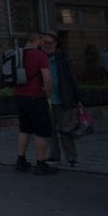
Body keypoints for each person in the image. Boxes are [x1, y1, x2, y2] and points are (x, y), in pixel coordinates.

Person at [13, 30, 56, 175]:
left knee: (24, 129)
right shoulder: (40, 55)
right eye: (42, 41)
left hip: (19, 96)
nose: (43, 43)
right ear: (37, 40)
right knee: (41, 131)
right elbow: (47, 79)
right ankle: (41, 163)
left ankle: (21, 160)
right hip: (36, 97)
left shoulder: (17, 54)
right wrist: (48, 95)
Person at [43, 32, 82, 167]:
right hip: (46, 100)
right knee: (50, 131)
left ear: (56, 43)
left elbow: (72, 79)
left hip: (63, 99)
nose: (46, 46)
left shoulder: (63, 59)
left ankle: (71, 157)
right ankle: (54, 156)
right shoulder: (41, 58)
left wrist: (77, 98)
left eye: (49, 43)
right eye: (44, 43)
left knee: (66, 130)